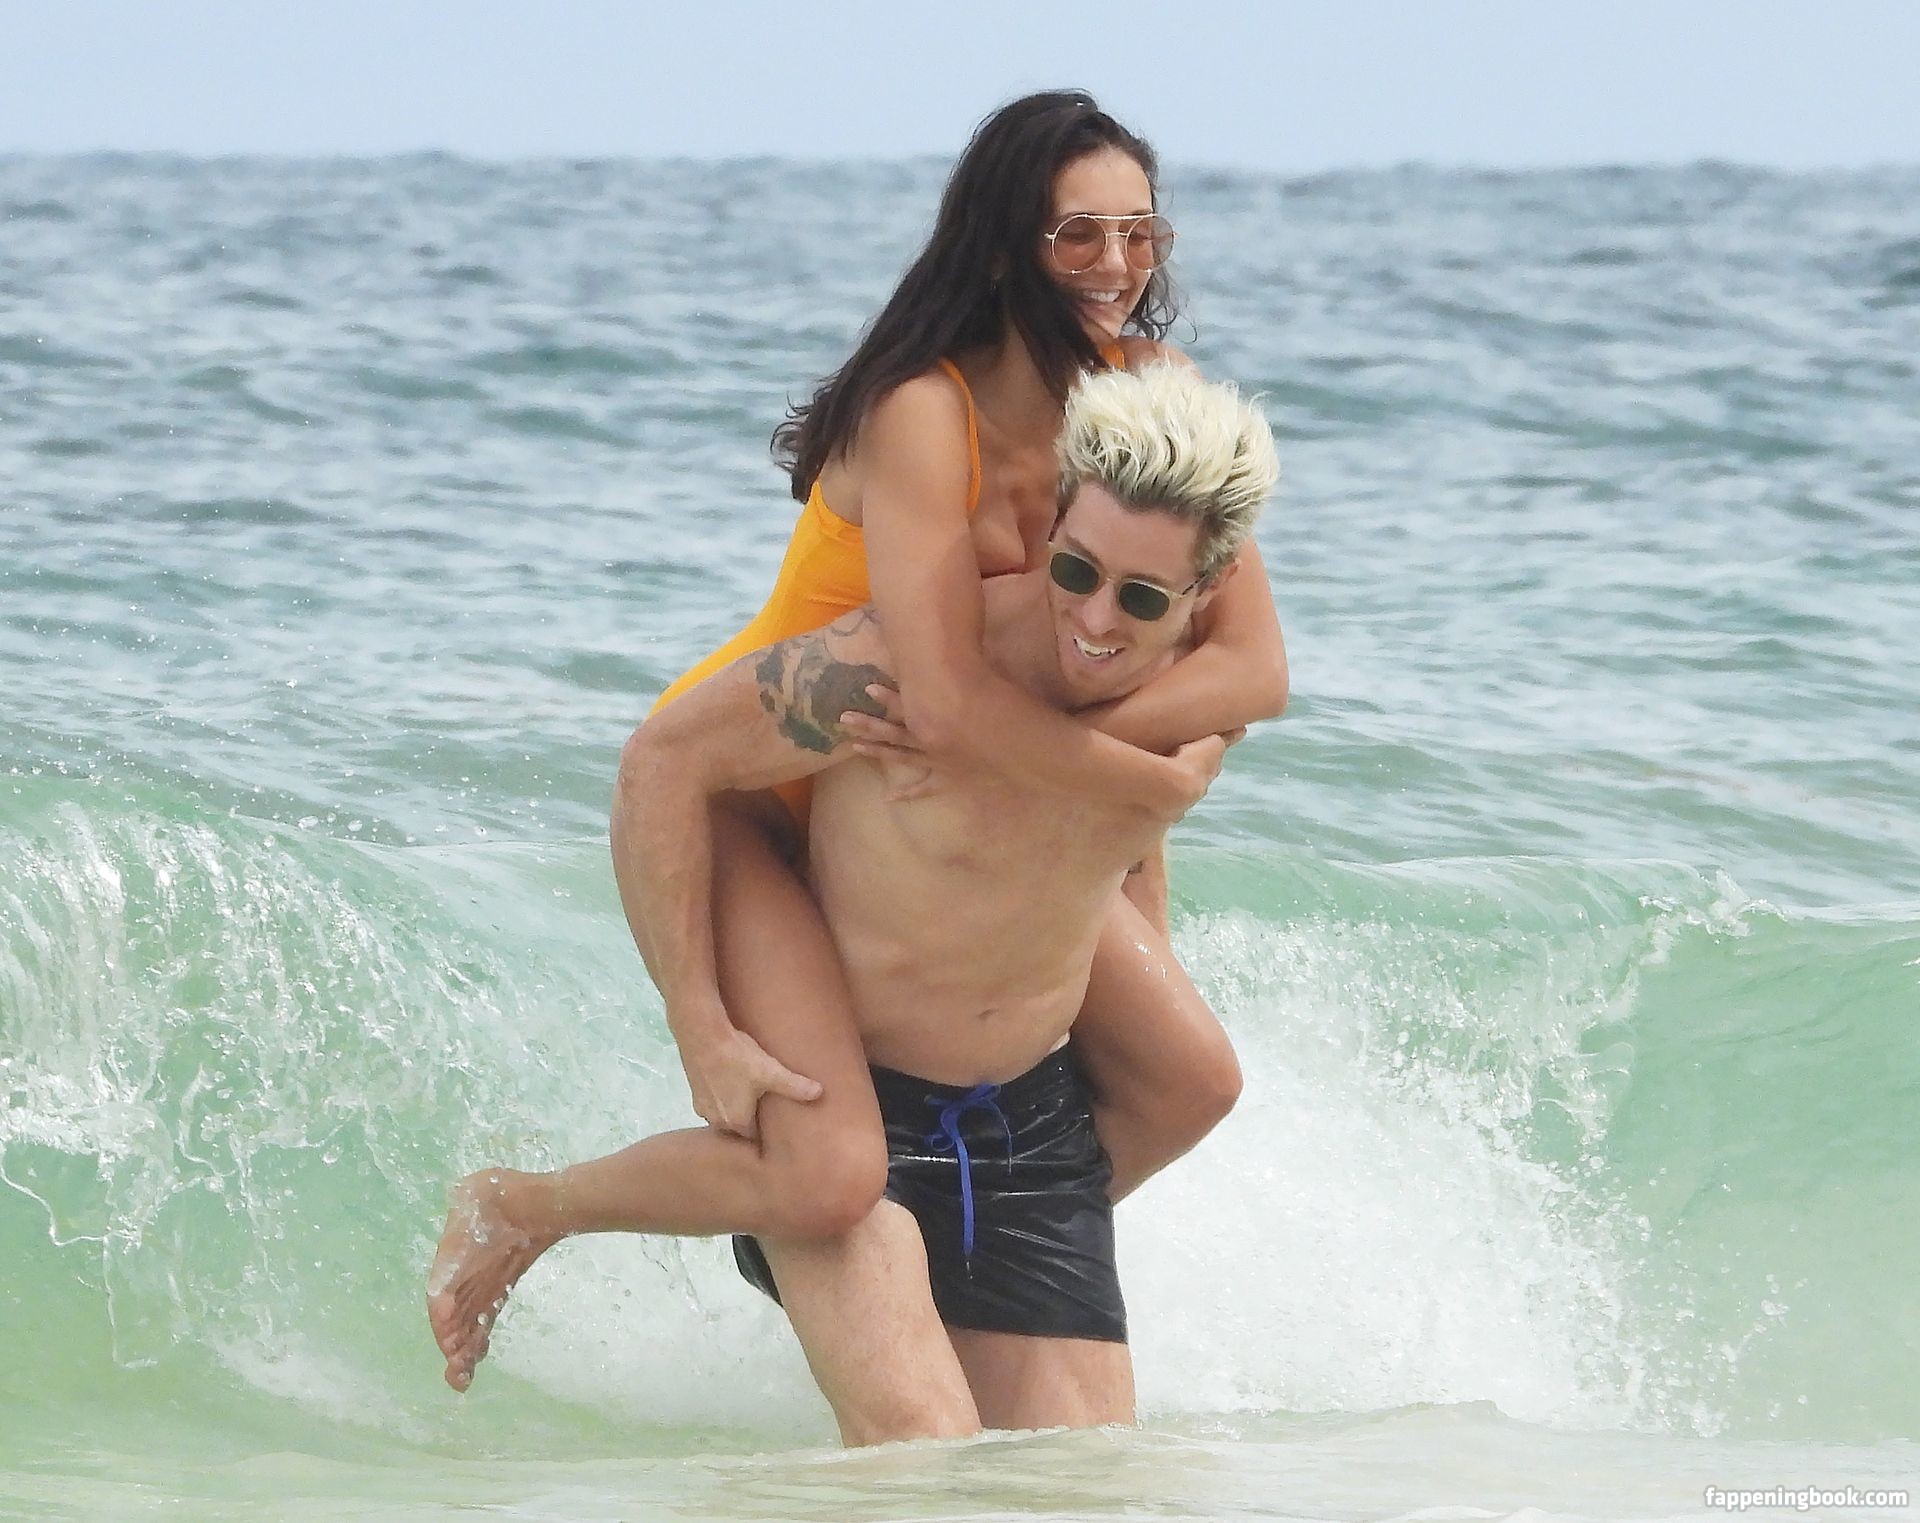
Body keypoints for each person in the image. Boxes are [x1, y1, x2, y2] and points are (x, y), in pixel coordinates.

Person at [427, 90, 1288, 1394]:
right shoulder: (922, 408)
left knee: (1189, 1074)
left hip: (937, 778)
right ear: (1004, 244)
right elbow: (937, 696)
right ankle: (531, 1205)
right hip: (778, 769)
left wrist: (1148, 796)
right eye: (1078, 234)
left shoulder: (1147, 396)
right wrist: (703, 1025)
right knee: (826, 1173)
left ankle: (966, 1249)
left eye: (1140, 233)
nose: (1116, 264)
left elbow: (1223, 669)